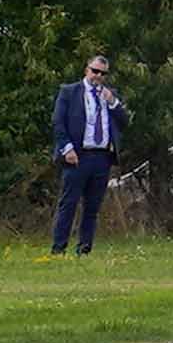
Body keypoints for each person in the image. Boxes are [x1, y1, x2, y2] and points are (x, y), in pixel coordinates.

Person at [49, 50, 124, 254]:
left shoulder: (110, 95)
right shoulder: (69, 92)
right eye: (95, 71)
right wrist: (67, 149)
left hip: (101, 157)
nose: (98, 76)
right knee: (69, 203)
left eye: (103, 73)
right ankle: (58, 248)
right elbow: (58, 122)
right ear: (87, 70)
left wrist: (112, 102)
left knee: (92, 207)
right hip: (77, 156)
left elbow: (124, 121)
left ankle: (84, 249)